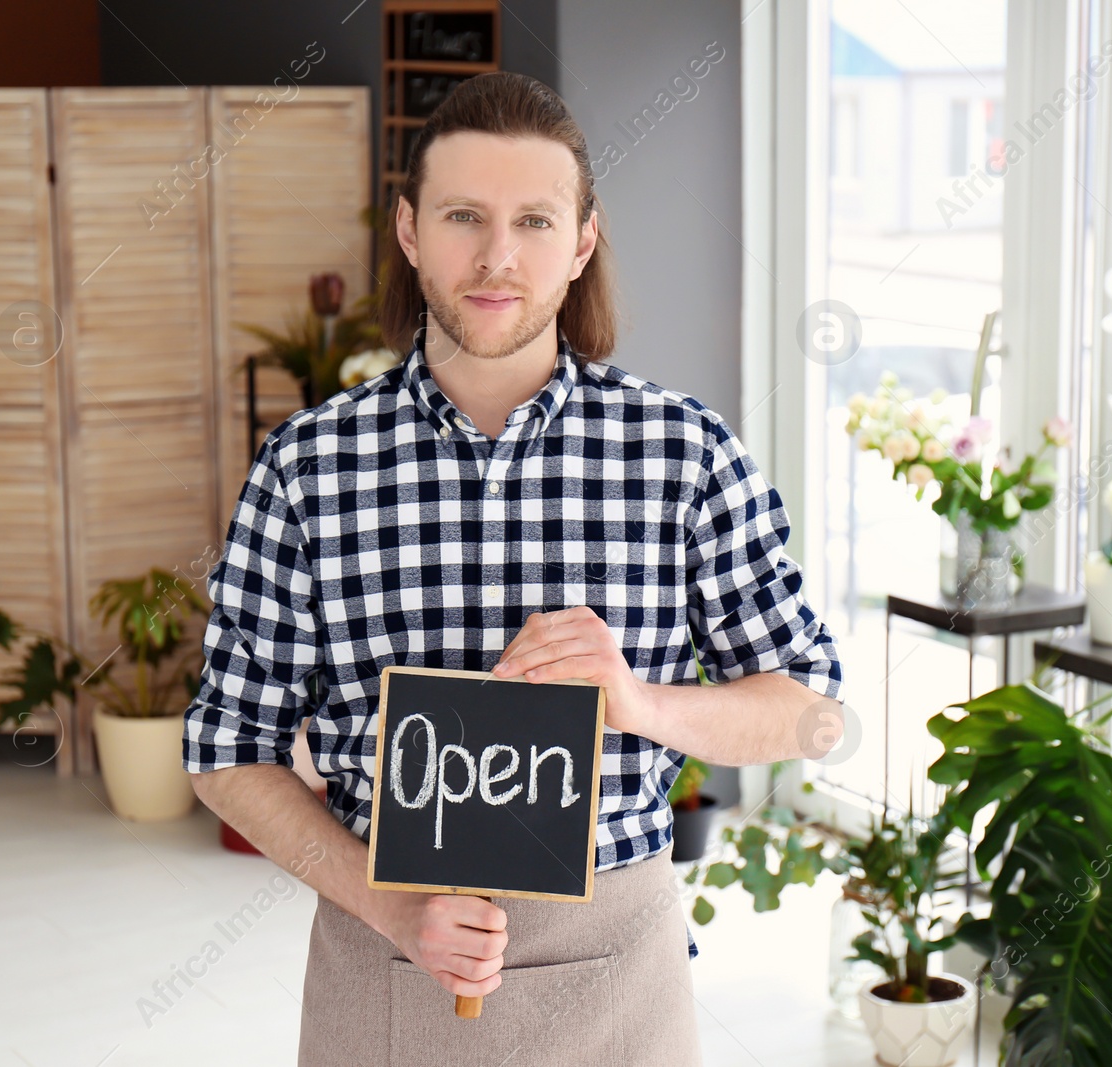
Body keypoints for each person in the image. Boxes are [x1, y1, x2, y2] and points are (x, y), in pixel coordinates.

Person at [183, 70, 844, 1066]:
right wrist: (394, 905)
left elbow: (810, 706)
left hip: (622, 967)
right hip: (385, 963)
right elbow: (228, 747)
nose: (498, 257)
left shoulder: (684, 452)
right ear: (409, 231)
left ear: (581, 240)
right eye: (463, 216)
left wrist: (644, 705)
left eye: (535, 220)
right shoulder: (308, 467)